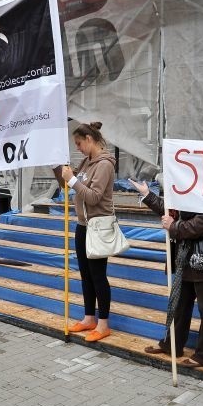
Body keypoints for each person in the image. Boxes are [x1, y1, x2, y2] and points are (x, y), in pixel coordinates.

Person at [129, 178, 203, 368]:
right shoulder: (188, 185)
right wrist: (148, 195)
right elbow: (171, 212)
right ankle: (172, 344)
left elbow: (201, 223)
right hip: (186, 256)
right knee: (178, 303)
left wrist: (174, 226)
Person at [58, 122, 117, 342]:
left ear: (89, 139)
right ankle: (89, 317)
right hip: (83, 226)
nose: (78, 148)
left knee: (98, 276)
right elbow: (73, 186)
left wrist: (72, 180)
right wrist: (66, 175)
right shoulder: (86, 162)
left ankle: (103, 324)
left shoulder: (104, 165)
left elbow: (93, 196)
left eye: (79, 143)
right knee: (85, 275)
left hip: (98, 227)